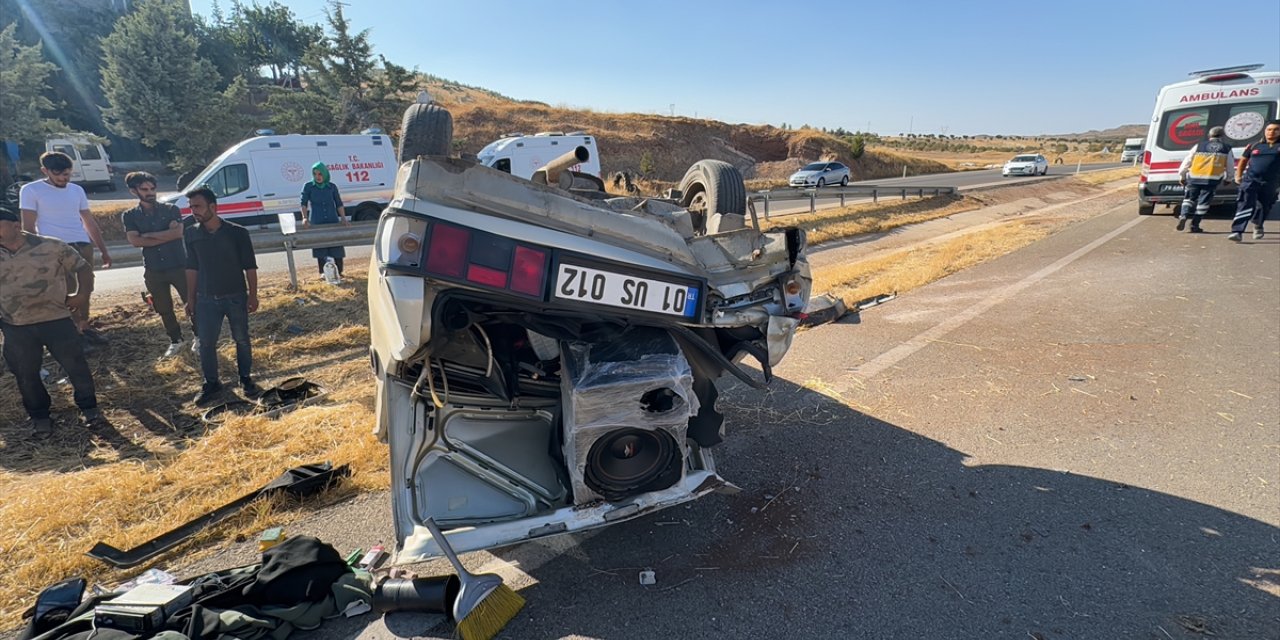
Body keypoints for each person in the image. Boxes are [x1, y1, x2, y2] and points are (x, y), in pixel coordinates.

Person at [0, 203, 102, 435]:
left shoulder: (51, 246)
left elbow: (83, 268)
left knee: (76, 367)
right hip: (16, 325)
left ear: (16, 225)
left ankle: (90, 409)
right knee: (26, 375)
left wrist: (82, 295)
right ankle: (40, 416)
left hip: (56, 320)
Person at [18, 151, 112, 341]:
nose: (63, 178)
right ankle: (73, 330)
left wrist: (103, 250)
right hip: (54, 247)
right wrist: (34, 254)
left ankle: (84, 325)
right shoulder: (31, 190)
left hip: (81, 242)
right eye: (58, 174)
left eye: (67, 174)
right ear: (45, 170)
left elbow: (89, 221)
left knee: (87, 285)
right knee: (66, 288)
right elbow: (28, 227)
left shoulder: (76, 190)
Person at [183, 186, 263, 405]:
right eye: (191, 207)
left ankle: (245, 379)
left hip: (236, 296)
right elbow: (192, 267)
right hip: (206, 299)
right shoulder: (191, 233)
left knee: (242, 339)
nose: (193, 211)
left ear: (213, 207)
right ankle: (211, 383)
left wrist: (253, 295)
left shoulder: (237, 233)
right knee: (206, 343)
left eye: (197, 206)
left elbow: (250, 267)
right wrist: (191, 299)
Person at [122, 171, 194, 358]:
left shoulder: (171, 209)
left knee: (192, 302)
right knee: (163, 308)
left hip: (179, 264)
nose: (150, 192)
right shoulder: (129, 216)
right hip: (153, 268)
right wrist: (163, 235)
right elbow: (135, 241)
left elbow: (177, 234)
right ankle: (176, 340)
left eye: (152, 188)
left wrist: (146, 235)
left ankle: (199, 337)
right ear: (133, 191)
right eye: (144, 189)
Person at [1175, 126, 1235, 233]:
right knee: (1203, 203)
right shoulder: (1226, 148)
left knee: (1189, 198)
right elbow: (1230, 165)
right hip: (1211, 180)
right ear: (1222, 136)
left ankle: (1183, 215)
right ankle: (1194, 225)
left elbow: (1187, 161)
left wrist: (1182, 176)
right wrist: (1229, 178)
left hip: (1194, 177)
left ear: (1209, 136)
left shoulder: (1198, 146)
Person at [1229, 119, 1280, 242]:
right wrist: (1238, 175)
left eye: (1275, 130)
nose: (1271, 132)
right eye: (1269, 129)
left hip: (1271, 182)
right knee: (1245, 203)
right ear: (1265, 131)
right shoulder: (1254, 145)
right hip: (1250, 180)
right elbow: (1243, 160)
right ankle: (1237, 231)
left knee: (1264, 206)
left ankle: (1258, 224)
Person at [300, 161, 350, 277]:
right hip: (317, 220)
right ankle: (323, 273)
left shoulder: (331, 187)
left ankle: (340, 272)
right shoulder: (308, 186)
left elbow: (338, 203)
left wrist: (343, 218)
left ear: (325, 174)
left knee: (336, 246)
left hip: (332, 219)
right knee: (320, 246)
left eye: (320, 174)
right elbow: (303, 203)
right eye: (315, 174)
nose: (317, 177)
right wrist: (304, 218)